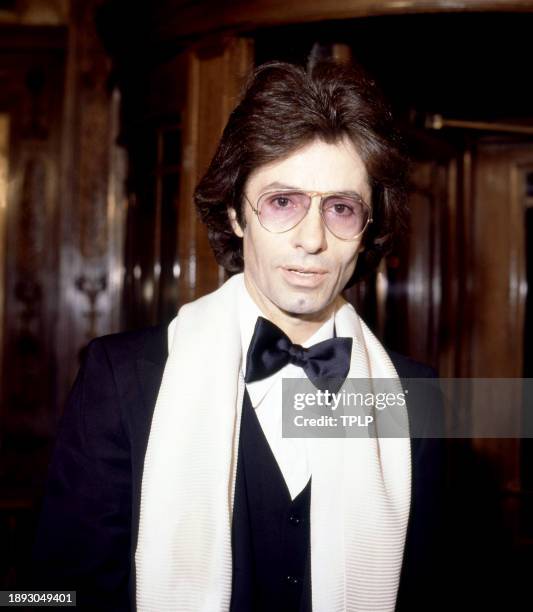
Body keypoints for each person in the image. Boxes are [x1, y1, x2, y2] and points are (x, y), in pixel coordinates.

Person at [33, 60, 444, 611]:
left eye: (341, 209)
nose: (312, 240)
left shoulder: (415, 396)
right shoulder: (120, 377)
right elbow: (55, 594)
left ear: (367, 232)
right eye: (282, 202)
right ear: (235, 213)